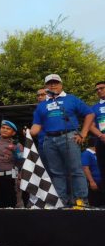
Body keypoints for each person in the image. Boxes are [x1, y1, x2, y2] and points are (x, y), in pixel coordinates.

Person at [30, 74, 93, 207]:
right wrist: (28, 133)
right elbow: (36, 126)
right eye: (50, 83)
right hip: (48, 140)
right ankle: (61, 201)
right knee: (56, 172)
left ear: (61, 84)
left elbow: (89, 113)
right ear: (46, 86)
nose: (53, 85)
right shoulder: (42, 105)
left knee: (76, 170)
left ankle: (81, 200)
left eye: (55, 82)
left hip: (69, 136)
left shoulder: (71, 99)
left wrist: (83, 133)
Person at [0, 120, 23, 208]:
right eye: (3, 127)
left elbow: (21, 162)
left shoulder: (17, 145)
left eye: (8, 129)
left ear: (13, 133)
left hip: (8, 178)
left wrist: (19, 177)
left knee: (9, 203)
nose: (4, 130)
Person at [88, 81, 105, 207]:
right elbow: (90, 125)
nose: (99, 91)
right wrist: (101, 135)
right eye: (97, 89)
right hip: (102, 142)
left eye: (102, 88)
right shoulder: (94, 108)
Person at [81, 138, 103, 207]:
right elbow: (85, 168)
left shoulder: (99, 153)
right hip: (95, 184)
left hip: (102, 183)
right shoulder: (86, 154)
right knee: (96, 204)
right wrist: (91, 182)